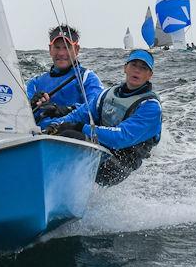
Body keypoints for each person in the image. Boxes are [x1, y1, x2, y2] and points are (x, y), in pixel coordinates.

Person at [44, 49, 162, 186]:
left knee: (71, 136)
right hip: (102, 151)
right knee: (59, 133)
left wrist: (81, 127)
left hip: (120, 165)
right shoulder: (107, 94)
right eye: (134, 65)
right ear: (125, 68)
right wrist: (53, 126)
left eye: (143, 68)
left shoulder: (150, 107)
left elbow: (121, 137)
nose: (137, 70)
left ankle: (58, 188)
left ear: (150, 75)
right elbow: (79, 114)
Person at [26, 24, 103, 123]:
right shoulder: (35, 83)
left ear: (76, 49)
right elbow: (19, 115)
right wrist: (31, 104)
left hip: (71, 135)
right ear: (50, 49)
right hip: (37, 135)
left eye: (67, 47)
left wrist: (65, 110)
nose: (61, 53)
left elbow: (96, 108)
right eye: (57, 47)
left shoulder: (87, 78)